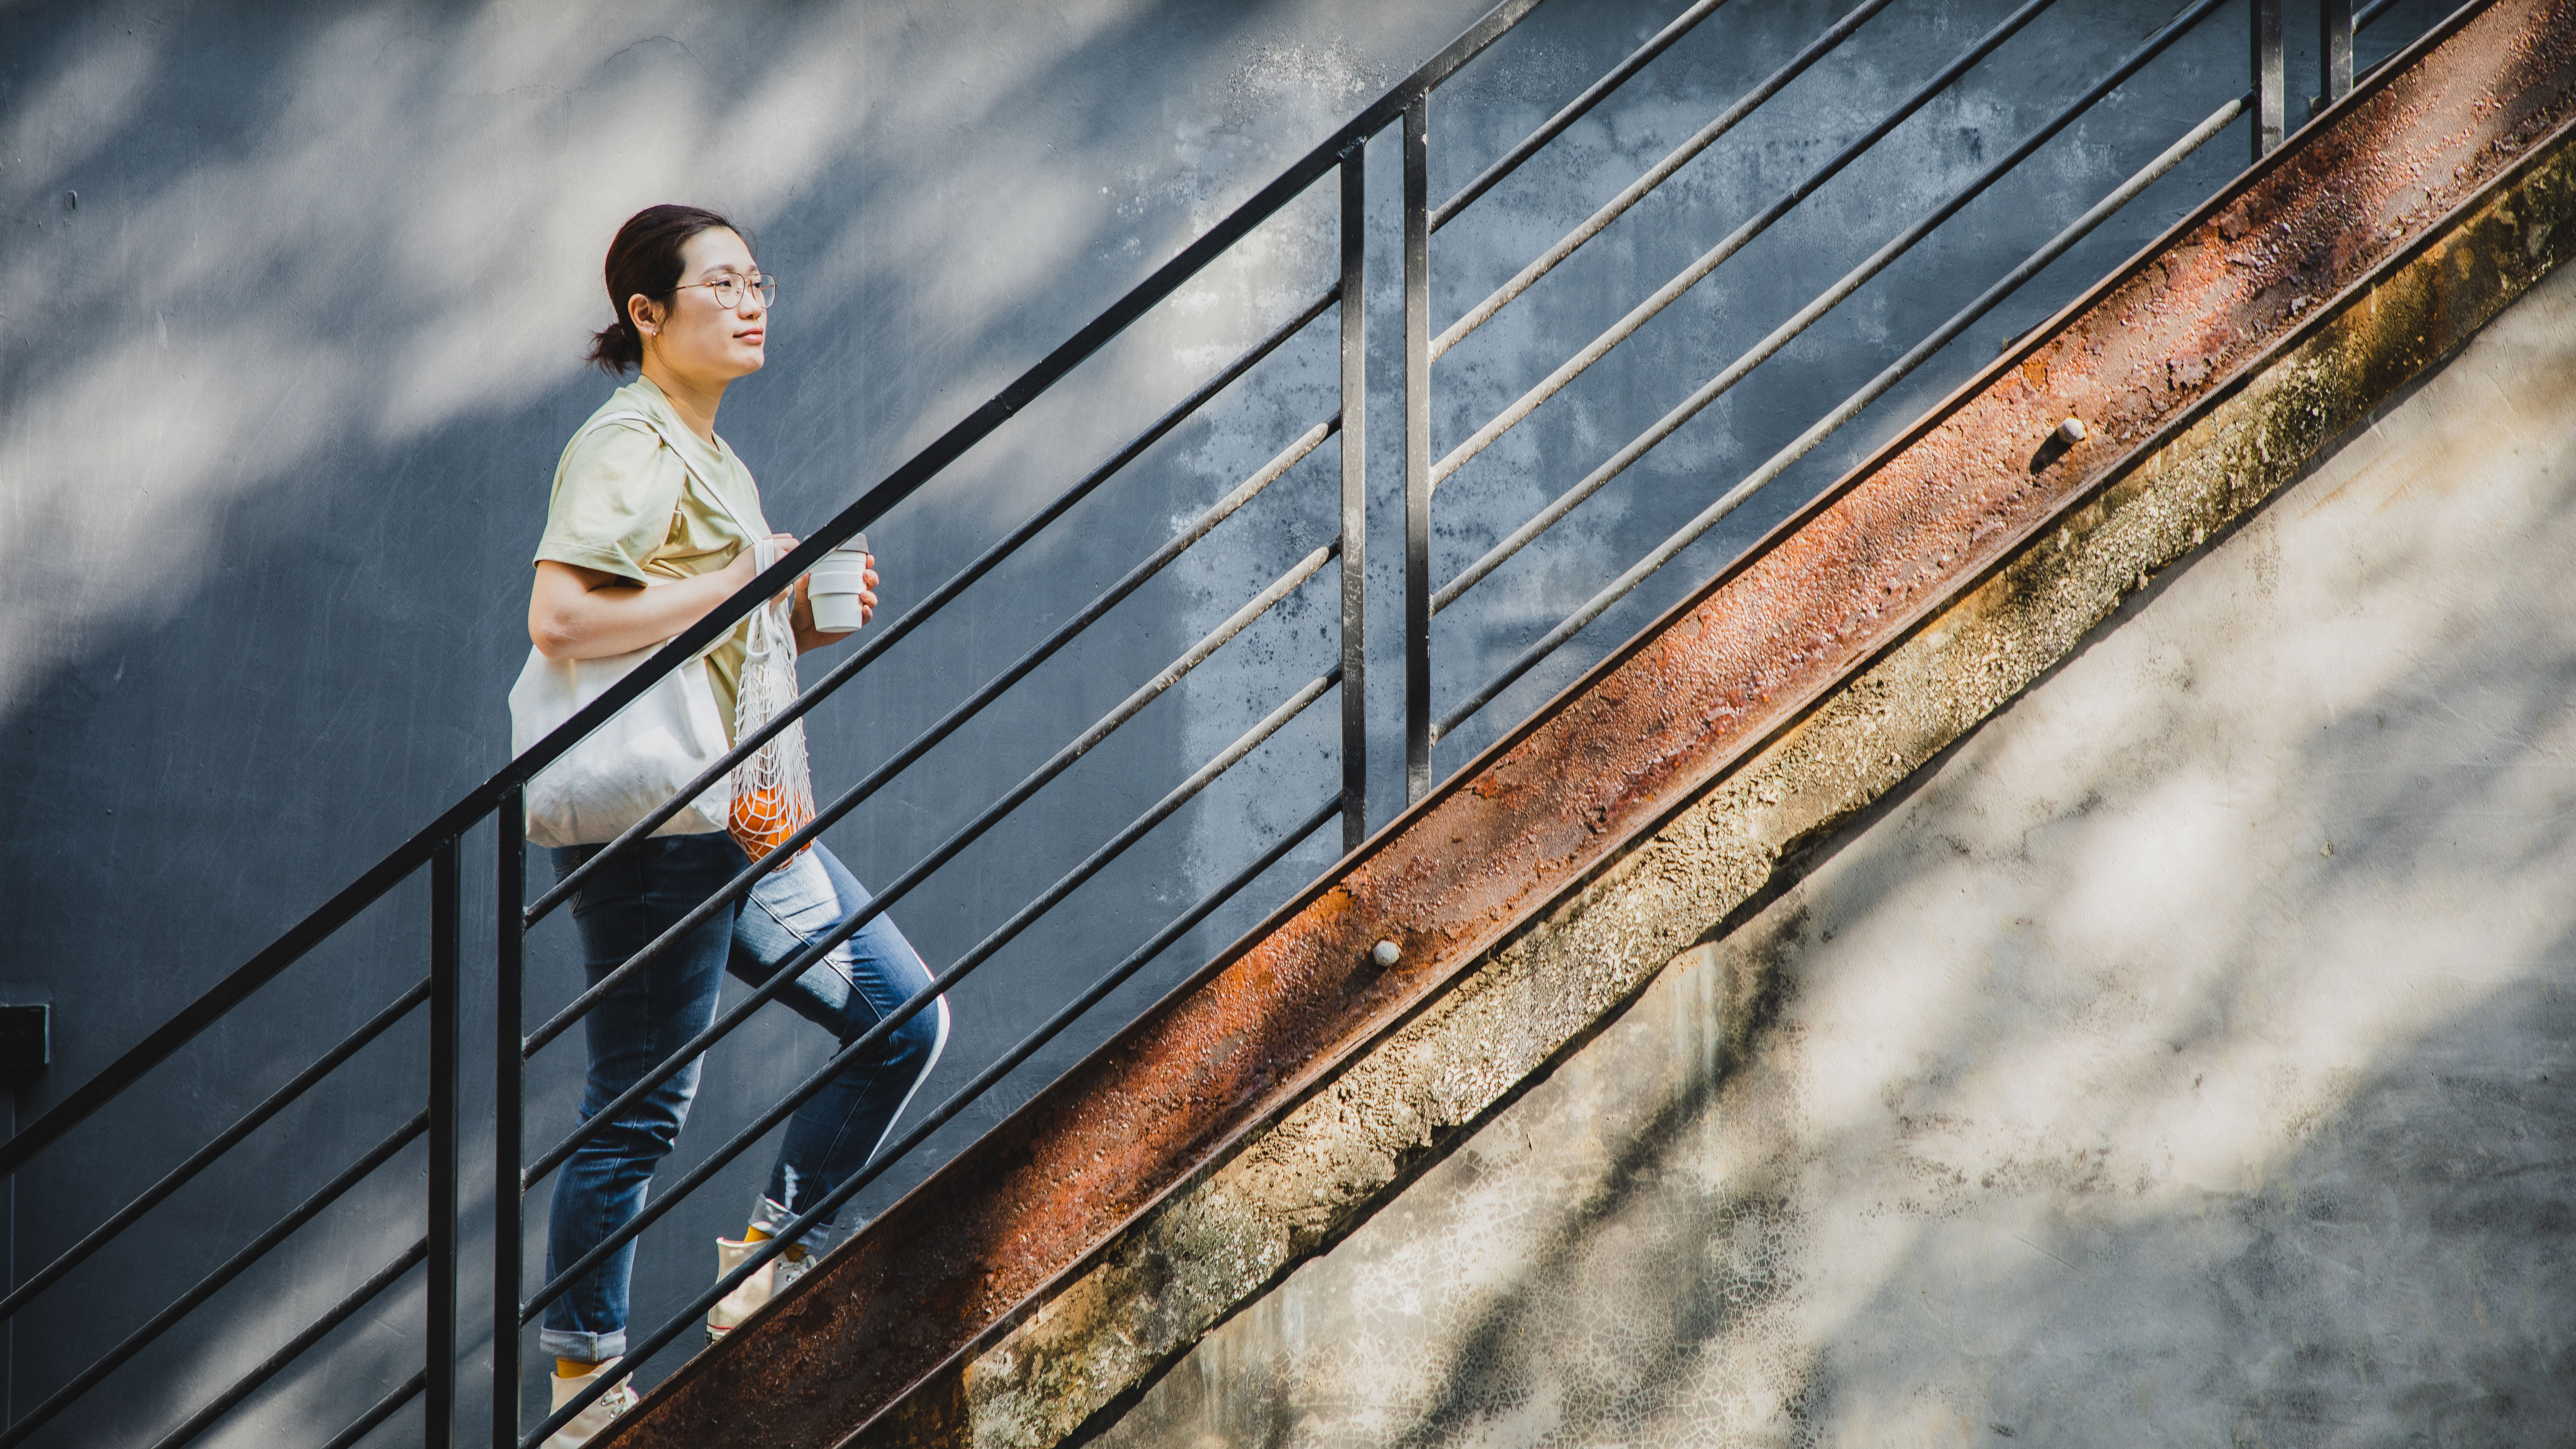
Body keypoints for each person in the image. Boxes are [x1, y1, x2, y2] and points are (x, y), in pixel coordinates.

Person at [524, 204, 949, 1447]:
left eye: (759, 280)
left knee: (899, 1019)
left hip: (740, 811)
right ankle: (582, 1388)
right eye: (722, 283)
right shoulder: (627, 442)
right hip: (659, 826)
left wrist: (799, 618)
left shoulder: (713, 456)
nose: (753, 299)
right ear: (647, 315)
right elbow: (561, 621)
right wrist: (746, 582)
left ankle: (767, 1269)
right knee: (642, 1104)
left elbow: (698, 636)